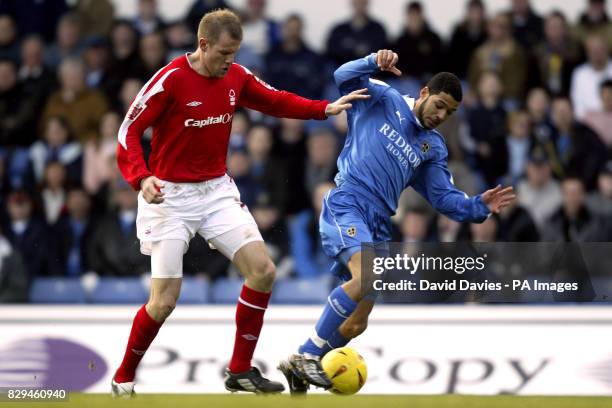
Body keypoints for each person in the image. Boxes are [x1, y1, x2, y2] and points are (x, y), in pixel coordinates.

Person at [112, 9, 368, 397]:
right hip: (169, 197)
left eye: (235, 53)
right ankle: (123, 378)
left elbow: (273, 100)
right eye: (224, 53)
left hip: (215, 191)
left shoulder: (235, 75)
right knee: (163, 302)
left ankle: (239, 369)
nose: (231, 61)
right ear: (203, 44)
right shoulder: (170, 80)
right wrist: (140, 176)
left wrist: (321, 109)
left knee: (263, 271)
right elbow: (128, 131)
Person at [278, 49, 515, 393]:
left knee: (358, 321)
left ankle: (302, 370)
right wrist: (373, 61)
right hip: (349, 201)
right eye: (439, 104)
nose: (441, 114)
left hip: (379, 224)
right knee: (366, 275)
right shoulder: (383, 97)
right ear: (423, 93)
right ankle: (306, 354)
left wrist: (478, 205)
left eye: (449, 112)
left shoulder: (432, 147)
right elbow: (343, 76)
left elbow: (444, 198)